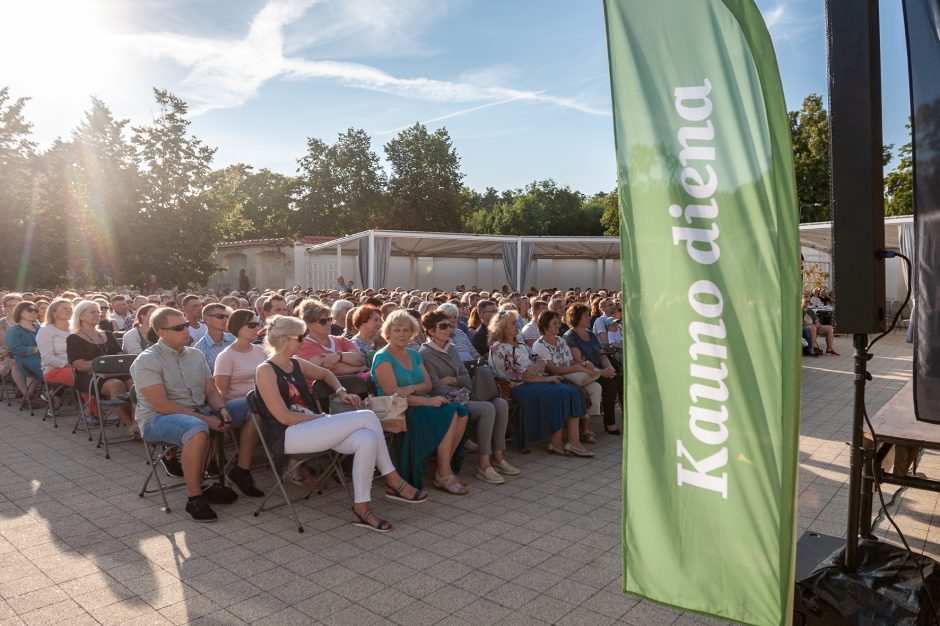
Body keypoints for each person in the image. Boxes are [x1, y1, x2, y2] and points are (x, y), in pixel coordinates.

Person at [255, 315, 426, 532]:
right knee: (367, 416)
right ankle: (393, 480)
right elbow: (283, 417)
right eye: (300, 336)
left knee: (367, 437)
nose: (303, 340)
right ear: (283, 339)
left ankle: (361, 509)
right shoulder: (265, 370)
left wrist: (341, 391)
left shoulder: (295, 363)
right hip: (287, 435)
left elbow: (326, 373)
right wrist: (320, 418)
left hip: (312, 428)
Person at [131, 307, 263, 523]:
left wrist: (221, 410)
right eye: (179, 327)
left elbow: (212, 391)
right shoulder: (147, 360)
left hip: (200, 410)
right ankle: (194, 497)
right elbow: (161, 404)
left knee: (253, 405)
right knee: (197, 429)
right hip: (158, 419)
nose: (187, 329)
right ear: (162, 332)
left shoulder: (196, 355)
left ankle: (241, 470)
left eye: (186, 324)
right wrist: (208, 419)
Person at [372, 309, 470, 494]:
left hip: (420, 400)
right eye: (397, 330)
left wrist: (411, 388)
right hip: (400, 409)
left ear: (412, 333)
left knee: (461, 413)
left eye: (406, 330)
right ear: (388, 333)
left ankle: (444, 468)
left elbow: (427, 384)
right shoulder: (383, 357)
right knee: (448, 413)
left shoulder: (414, 354)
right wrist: (426, 401)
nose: (402, 334)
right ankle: (444, 473)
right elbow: (393, 396)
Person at [419, 311, 518, 485]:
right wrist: (457, 383)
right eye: (443, 326)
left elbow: (466, 377)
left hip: (465, 393)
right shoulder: (425, 354)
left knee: (500, 403)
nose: (448, 329)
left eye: (449, 326)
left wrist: (453, 380)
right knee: (488, 409)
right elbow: (434, 386)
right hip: (446, 400)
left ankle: (498, 456)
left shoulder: (452, 348)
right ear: (430, 331)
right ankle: (484, 465)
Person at [488, 310, 591, 456]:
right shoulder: (498, 347)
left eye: (517, 322)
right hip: (517, 387)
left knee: (572, 392)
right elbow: (519, 375)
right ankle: (556, 443)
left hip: (535, 382)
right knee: (559, 393)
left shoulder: (521, 344)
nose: (517, 325)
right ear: (502, 327)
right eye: (512, 323)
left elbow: (539, 360)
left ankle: (574, 441)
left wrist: (536, 367)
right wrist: (546, 378)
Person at [66, 300, 135, 436]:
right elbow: (80, 365)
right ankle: (130, 425)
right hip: (90, 377)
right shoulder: (74, 338)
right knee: (116, 385)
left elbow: (120, 355)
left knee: (133, 383)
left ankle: (136, 422)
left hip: (117, 373)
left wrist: (108, 363)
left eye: (98, 311)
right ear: (80, 315)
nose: (98, 314)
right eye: (93, 312)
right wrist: (105, 363)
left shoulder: (108, 334)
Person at [532, 310, 601, 444]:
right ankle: (583, 430)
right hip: (556, 379)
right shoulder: (539, 345)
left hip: (571, 376)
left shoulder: (561, 340)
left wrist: (584, 364)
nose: (559, 325)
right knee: (579, 391)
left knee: (595, 387)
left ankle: (584, 426)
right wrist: (577, 368)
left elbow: (571, 362)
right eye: (555, 323)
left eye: (559, 322)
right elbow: (553, 370)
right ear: (545, 326)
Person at [564, 303, 621, 435]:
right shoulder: (570, 337)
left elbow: (601, 353)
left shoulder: (591, 334)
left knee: (617, 379)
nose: (589, 318)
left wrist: (609, 367)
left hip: (598, 369)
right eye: (586, 316)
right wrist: (602, 372)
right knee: (609, 384)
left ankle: (620, 417)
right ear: (576, 318)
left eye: (589, 315)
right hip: (584, 372)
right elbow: (580, 361)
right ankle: (609, 423)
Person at [296, 299, 368, 376]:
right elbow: (333, 369)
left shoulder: (341, 340)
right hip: (323, 387)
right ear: (309, 325)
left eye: (329, 319)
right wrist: (360, 368)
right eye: (323, 321)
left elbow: (360, 359)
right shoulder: (303, 345)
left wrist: (338, 356)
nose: (328, 323)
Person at [214, 310, 266, 404]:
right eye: (252, 325)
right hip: (240, 403)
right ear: (238, 327)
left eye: (257, 324)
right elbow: (221, 393)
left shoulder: (261, 351)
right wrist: (251, 401)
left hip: (263, 399)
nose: (257, 328)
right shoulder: (225, 357)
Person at [5, 300, 44, 405]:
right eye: (29, 310)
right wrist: (35, 349)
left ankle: (27, 397)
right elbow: (15, 348)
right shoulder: (14, 331)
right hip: (24, 360)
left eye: (35, 310)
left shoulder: (40, 328)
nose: (33, 313)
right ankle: (44, 396)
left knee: (47, 366)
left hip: (42, 359)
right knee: (43, 368)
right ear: (20, 312)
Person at [37, 298, 76, 397]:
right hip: (54, 370)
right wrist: (70, 365)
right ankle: (92, 409)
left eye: (70, 308)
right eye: (64, 308)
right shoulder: (46, 331)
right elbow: (47, 358)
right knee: (83, 378)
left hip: (77, 366)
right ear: (53, 312)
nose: (69, 310)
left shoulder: (76, 329)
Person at [193, 303, 234, 375]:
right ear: (206, 319)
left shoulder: (235, 339)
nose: (225, 320)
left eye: (227, 316)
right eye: (220, 316)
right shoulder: (200, 349)